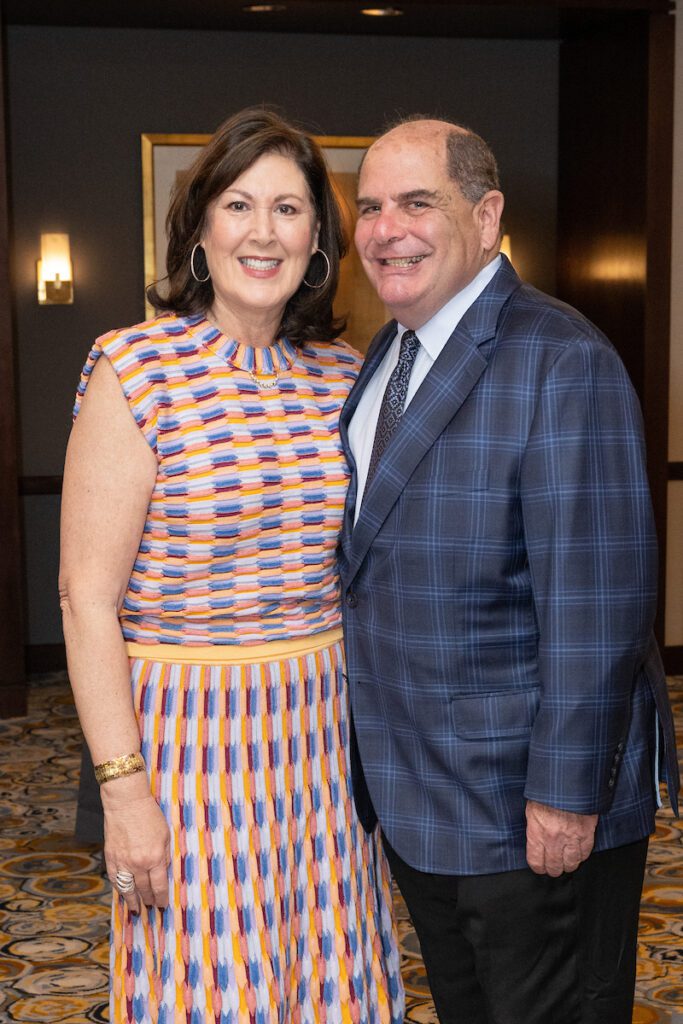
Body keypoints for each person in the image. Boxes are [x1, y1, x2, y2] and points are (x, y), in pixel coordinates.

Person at [59, 107, 403, 1024]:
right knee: (209, 982)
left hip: (326, 731)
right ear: (200, 227)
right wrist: (124, 791)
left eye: (289, 210)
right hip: (187, 737)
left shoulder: (345, 375)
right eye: (239, 204)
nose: (264, 232)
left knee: (333, 970)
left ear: (318, 240)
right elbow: (85, 600)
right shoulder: (136, 367)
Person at [339, 116, 680, 1024]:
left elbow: (598, 605)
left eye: (417, 202)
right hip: (422, 800)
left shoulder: (558, 359)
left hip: (529, 813)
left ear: (486, 217)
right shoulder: (387, 356)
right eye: (369, 207)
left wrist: (564, 799)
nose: (384, 228)